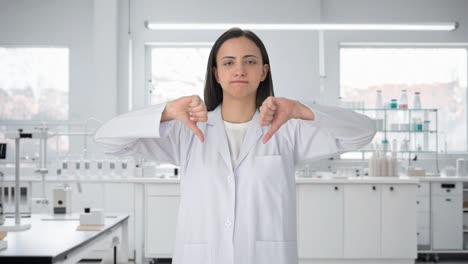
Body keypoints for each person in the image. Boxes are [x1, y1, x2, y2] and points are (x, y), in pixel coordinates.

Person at [95, 27, 376, 264]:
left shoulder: (288, 130)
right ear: (216, 73)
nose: (239, 70)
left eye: (250, 61)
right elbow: (107, 139)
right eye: (229, 62)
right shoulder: (188, 131)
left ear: (264, 71)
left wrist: (303, 110)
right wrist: (166, 111)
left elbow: (363, 132)